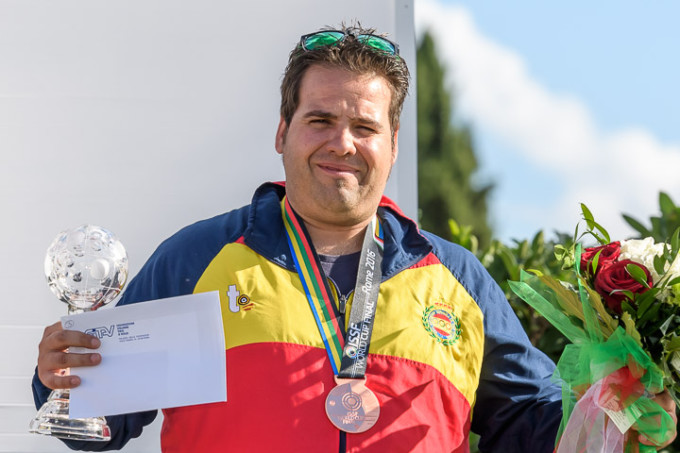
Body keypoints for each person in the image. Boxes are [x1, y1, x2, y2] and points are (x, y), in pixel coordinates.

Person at [32, 24, 676, 452]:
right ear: (281, 133)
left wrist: (622, 410)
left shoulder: (457, 278)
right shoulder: (199, 257)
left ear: (393, 146)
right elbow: (101, 423)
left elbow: (534, 424)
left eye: (364, 127)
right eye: (319, 120)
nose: (342, 142)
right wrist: (61, 379)